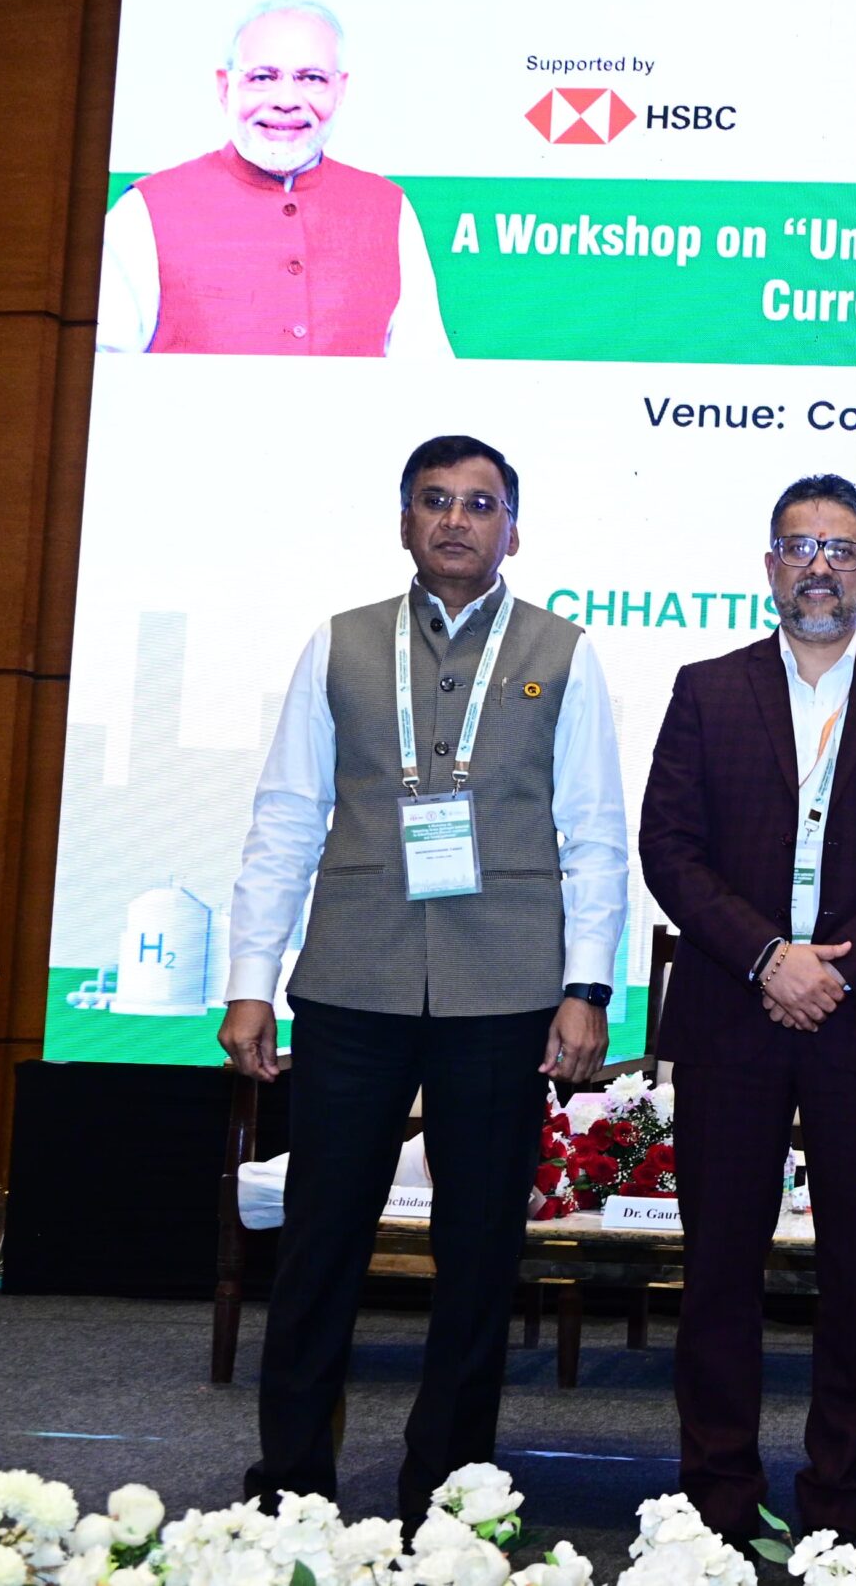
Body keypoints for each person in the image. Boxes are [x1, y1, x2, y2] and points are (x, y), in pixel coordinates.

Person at [218, 434, 627, 1522]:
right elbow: (286, 816)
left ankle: (448, 1489)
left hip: (506, 991)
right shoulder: (340, 642)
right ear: (405, 521)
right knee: (321, 1244)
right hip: (352, 980)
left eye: (480, 504)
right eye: (435, 500)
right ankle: (290, 1482)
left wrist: (588, 985)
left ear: (512, 531)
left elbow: (594, 830)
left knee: (479, 1252)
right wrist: (251, 977)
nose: (456, 519)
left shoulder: (564, 652)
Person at [639, 473, 856, 1545]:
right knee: (718, 1270)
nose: (819, 565)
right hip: (731, 1016)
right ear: (769, 566)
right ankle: (717, 1493)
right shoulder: (707, 688)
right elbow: (668, 848)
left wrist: (838, 967)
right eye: (799, 545)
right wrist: (766, 958)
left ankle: (838, 1495)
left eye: (840, 548)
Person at [100, 0, 453, 357]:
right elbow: (98, 375)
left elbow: (427, 377)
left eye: (311, 78)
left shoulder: (389, 209)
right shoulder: (144, 211)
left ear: (340, 90)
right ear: (225, 88)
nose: (286, 100)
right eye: (263, 77)